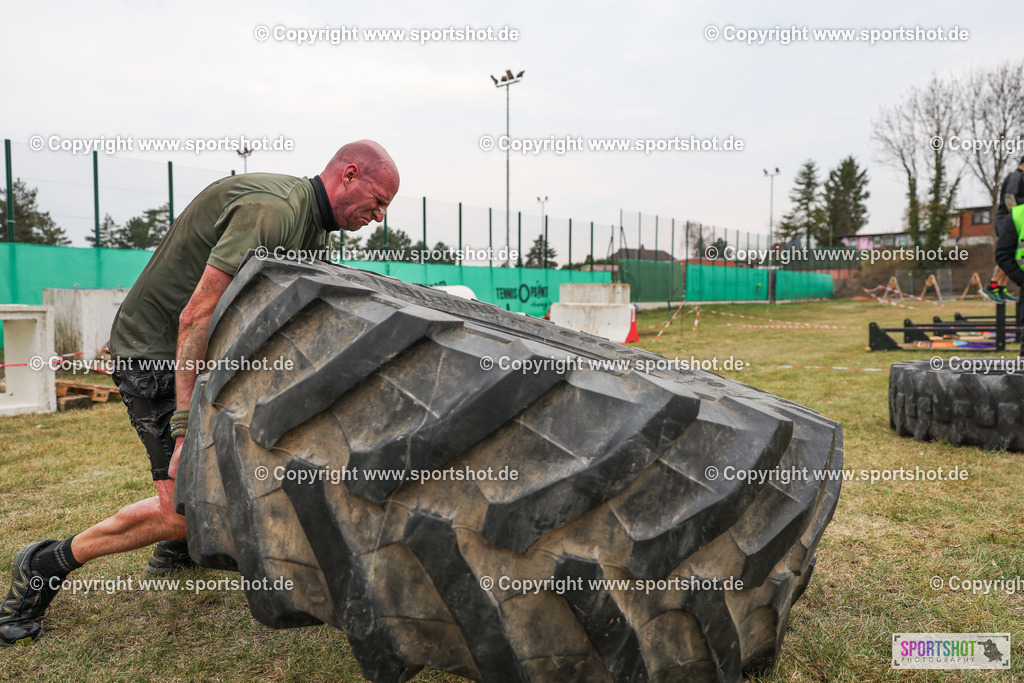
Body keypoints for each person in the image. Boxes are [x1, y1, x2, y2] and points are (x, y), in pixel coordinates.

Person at [0, 140, 399, 647]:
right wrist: (187, 428)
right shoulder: (272, 212)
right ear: (349, 174)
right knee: (179, 504)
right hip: (156, 355)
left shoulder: (312, 231)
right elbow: (194, 316)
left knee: (229, 476)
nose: (378, 216)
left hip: (203, 354)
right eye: (378, 200)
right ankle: (45, 564)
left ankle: (174, 552)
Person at [984, 157, 1024, 303]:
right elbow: (1009, 197)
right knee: (1009, 252)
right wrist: (1016, 219)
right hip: (1006, 219)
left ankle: (1001, 287)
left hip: (1012, 219)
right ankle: (992, 285)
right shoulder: (1016, 176)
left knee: (1017, 254)